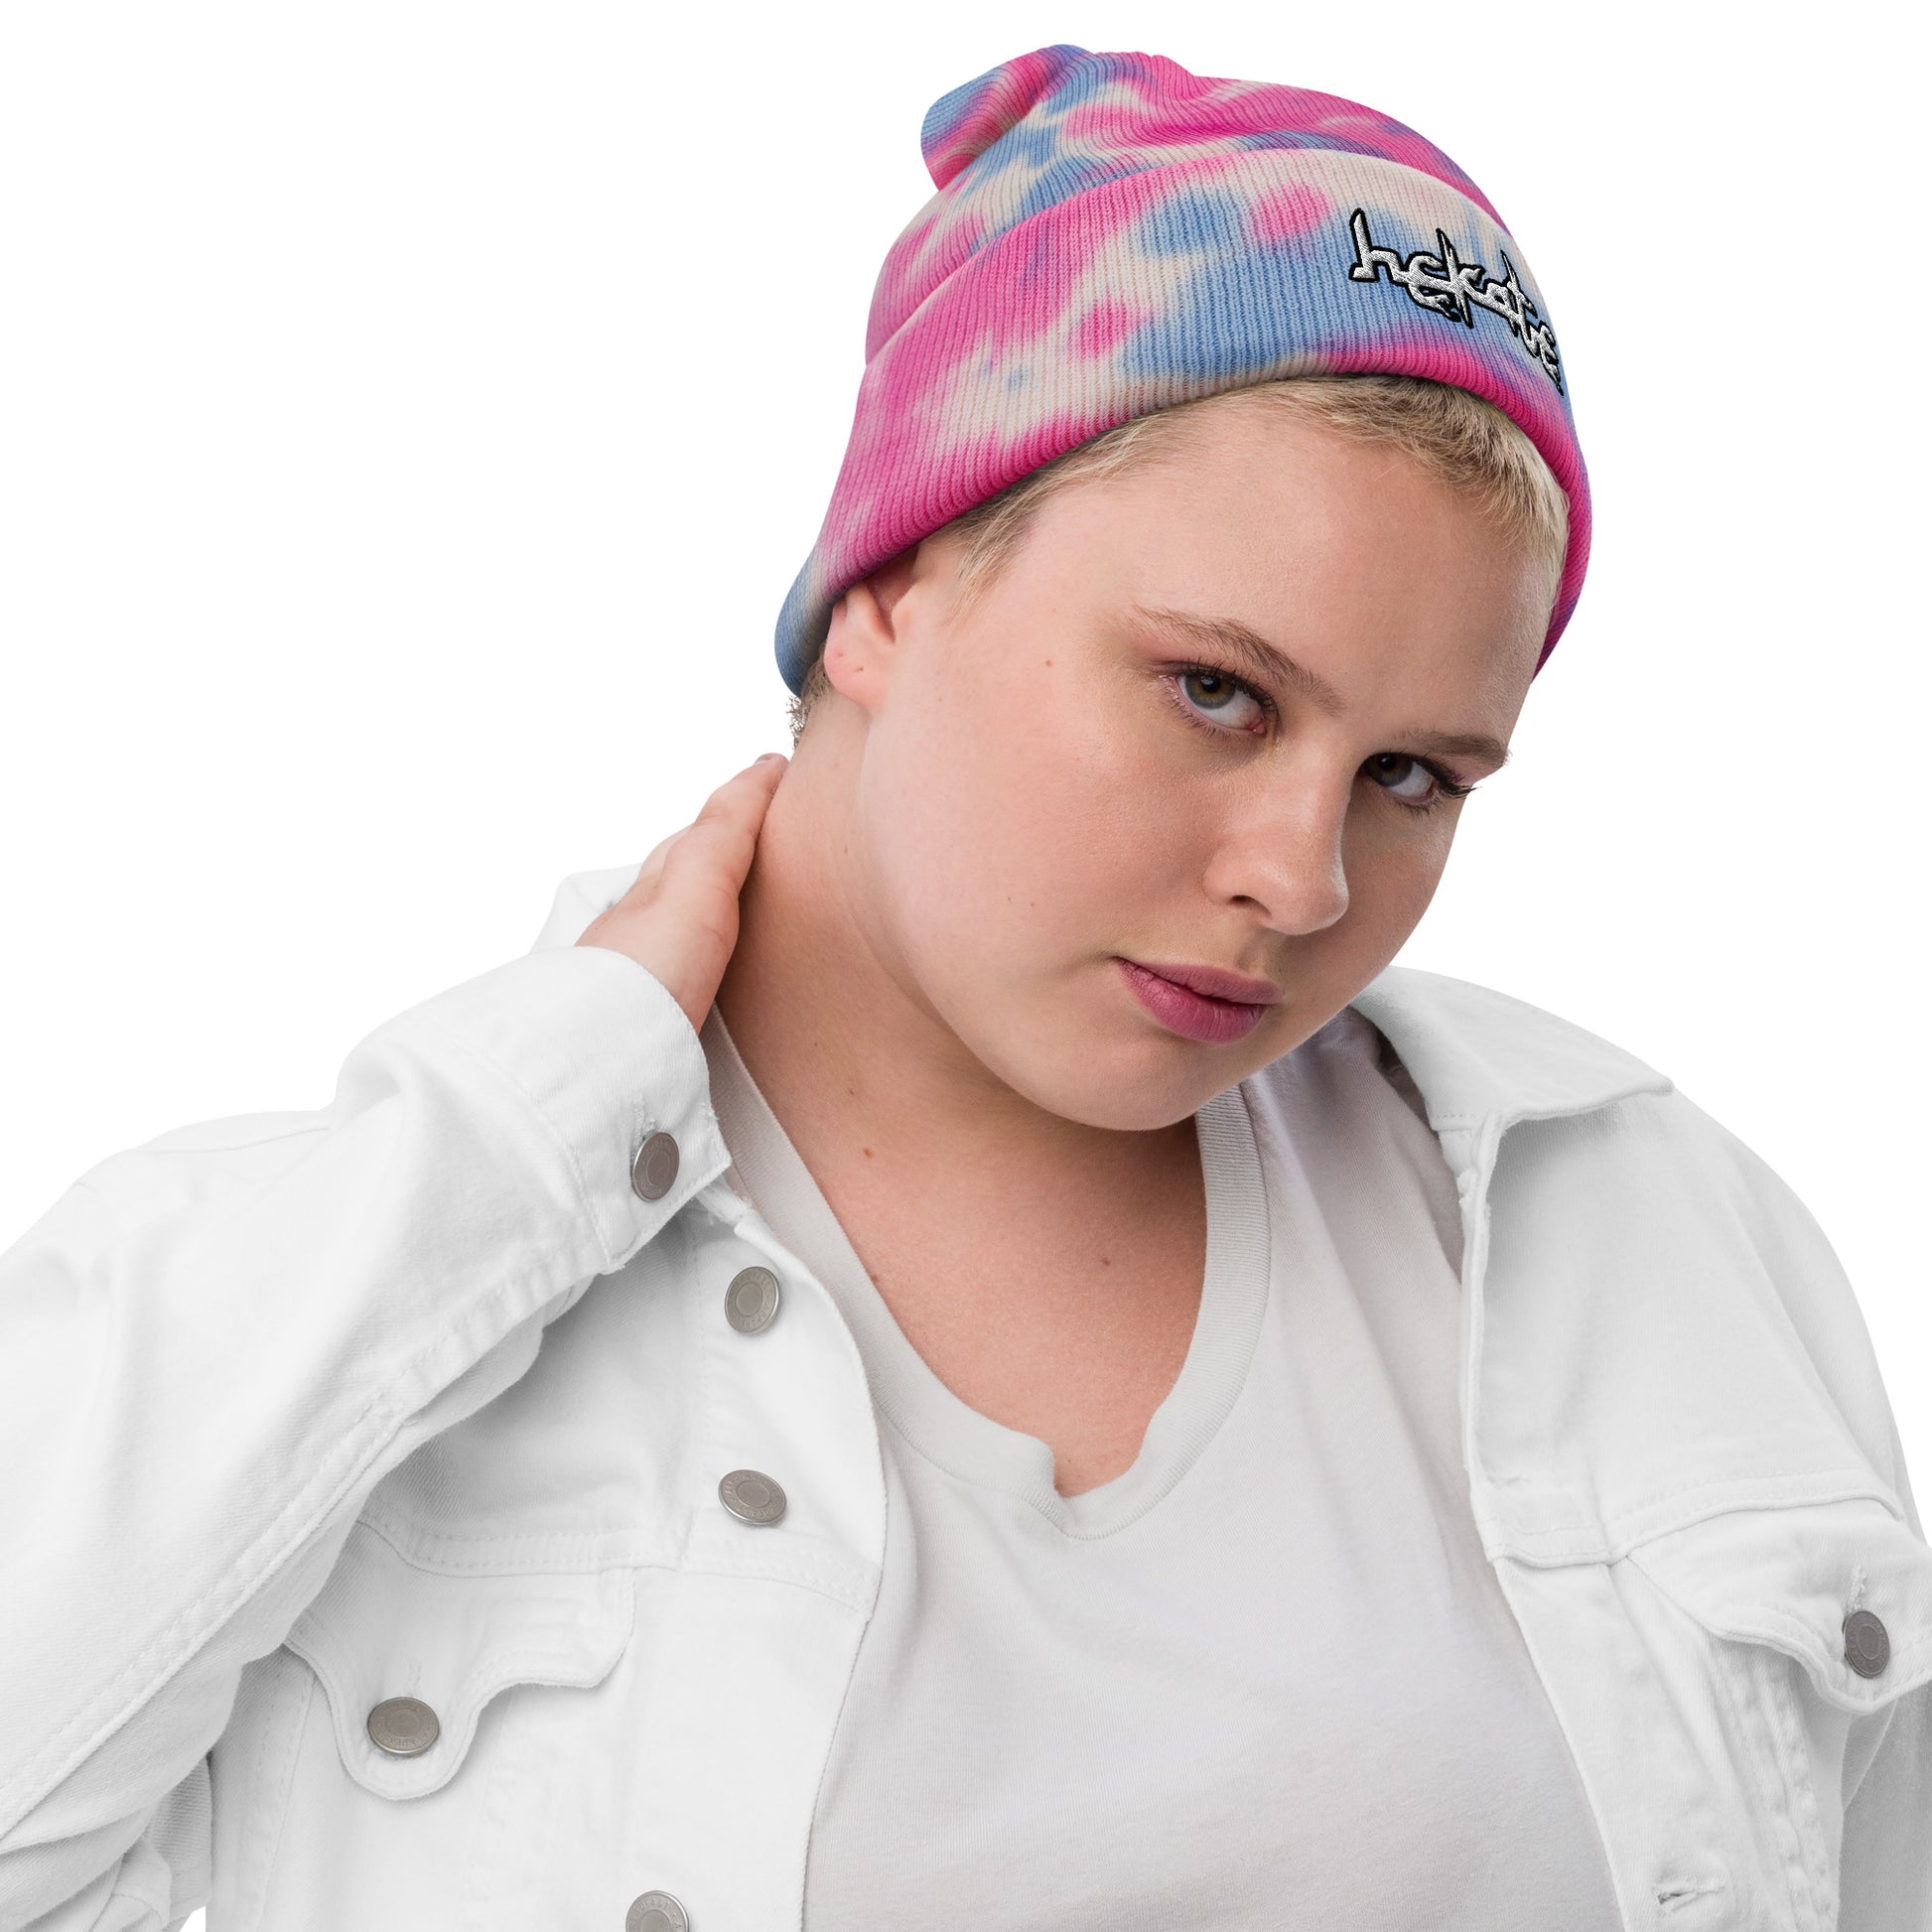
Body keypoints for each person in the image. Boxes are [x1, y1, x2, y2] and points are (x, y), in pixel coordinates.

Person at [2, 42, 1926, 1932]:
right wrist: (536, 1114)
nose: (1304, 876)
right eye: (1216, 690)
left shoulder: (1651, 1240)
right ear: (893, 578)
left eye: (1413, 774)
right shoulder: (308, 1292)